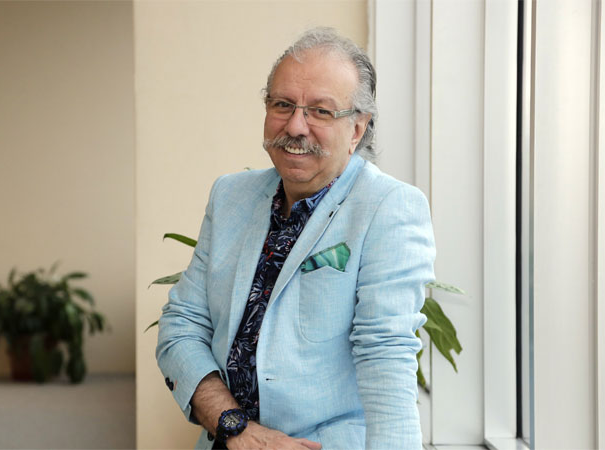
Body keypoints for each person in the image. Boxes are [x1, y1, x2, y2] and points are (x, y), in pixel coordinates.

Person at [156, 27, 435, 449]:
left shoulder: (388, 207)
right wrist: (234, 426)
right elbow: (182, 325)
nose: (296, 126)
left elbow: (386, 357)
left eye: (321, 111)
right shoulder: (230, 196)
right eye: (283, 104)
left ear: (357, 129)